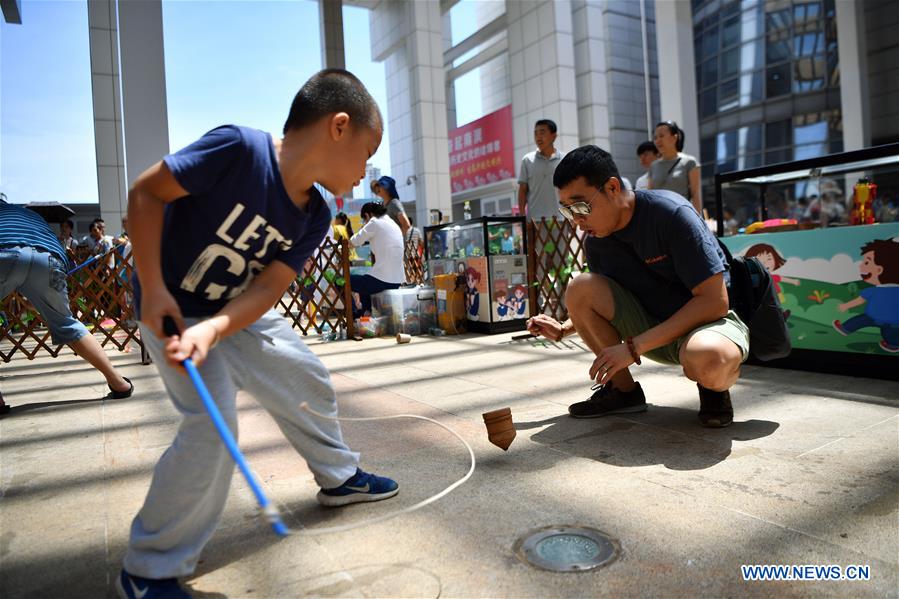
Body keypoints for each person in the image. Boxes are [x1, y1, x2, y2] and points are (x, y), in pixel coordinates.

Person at [119, 69, 399, 599]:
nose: (365, 174)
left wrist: (220, 328)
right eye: (368, 152)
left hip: (233, 310)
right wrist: (153, 290)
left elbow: (270, 285)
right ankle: (147, 569)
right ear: (339, 127)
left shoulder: (315, 215)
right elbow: (146, 194)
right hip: (170, 308)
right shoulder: (238, 149)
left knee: (303, 372)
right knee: (212, 426)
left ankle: (339, 476)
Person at [527, 145, 749, 428]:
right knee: (580, 287)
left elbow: (714, 302)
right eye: (568, 211)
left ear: (611, 188)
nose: (578, 221)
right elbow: (602, 303)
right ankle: (624, 392)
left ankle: (713, 390)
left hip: (706, 325)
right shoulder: (597, 243)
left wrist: (634, 348)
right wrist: (563, 329)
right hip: (651, 327)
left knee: (710, 359)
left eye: (581, 207)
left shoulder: (671, 214)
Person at [0, 200, 134, 416]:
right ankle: (119, 383)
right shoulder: (27, 215)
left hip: (4, 252)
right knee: (68, 322)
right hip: (49, 258)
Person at [348, 201, 404, 317]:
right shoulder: (393, 223)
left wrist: (363, 228)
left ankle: (356, 314)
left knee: (345, 280)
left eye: (364, 219)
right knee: (365, 283)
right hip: (398, 280)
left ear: (368, 215)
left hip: (382, 280)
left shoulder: (374, 222)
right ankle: (367, 313)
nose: (365, 222)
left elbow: (354, 241)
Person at [648, 121, 702, 214]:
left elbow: (695, 194)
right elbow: (650, 196)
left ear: (674, 137)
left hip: (681, 216)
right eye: (655, 137)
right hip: (659, 217)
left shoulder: (689, 162)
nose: (657, 141)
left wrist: (699, 220)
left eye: (661, 136)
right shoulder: (653, 166)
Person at [518, 119, 563, 220]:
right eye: (536, 133)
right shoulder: (527, 160)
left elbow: (570, 189)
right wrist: (521, 217)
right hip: (534, 221)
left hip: (560, 219)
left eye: (542, 132)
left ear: (554, 136)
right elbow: (522, 190)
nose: (538, 137)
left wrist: (573, 216)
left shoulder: (564, 160)